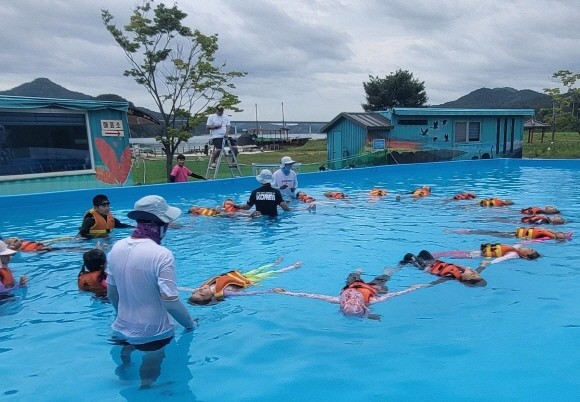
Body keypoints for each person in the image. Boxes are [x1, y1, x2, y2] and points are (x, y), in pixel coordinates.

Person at [106, 195, 196, 388]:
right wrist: (190, 325)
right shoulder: (162, 255)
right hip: (153, 332)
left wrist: (123, 316)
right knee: (150, 371)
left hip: (120, 328)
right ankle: (145, 389)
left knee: (125, 364)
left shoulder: (116, 248)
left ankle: (124, 377)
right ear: (161, 224)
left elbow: (112, 294)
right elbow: (170, 302)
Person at [275, 270, 425, 319]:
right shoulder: (372, 301)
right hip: (370, 289)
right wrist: (413, 288)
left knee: (353, 278)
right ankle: (386, 272)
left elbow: (311, 295)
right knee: (382, 286)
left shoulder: (336, 300)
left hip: (359, 287)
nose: (352, 298)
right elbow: (395, 294)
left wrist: (287, 292)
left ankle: (358, 273)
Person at [187, 258, 302, 305]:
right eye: (201, 293)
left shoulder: (204, 287)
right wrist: (271, 290)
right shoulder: (225, 292)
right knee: (270, 273)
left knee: (259, 269)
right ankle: (292, 267)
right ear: (210, 298)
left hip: (240, 276)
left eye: (196, 291)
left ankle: (273, 263)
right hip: (249, 280)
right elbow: (248, 294)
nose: (200, 289)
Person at [400, 250, 488, 286]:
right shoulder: (470, 273)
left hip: (425, 267)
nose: (474, 272)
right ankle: (417, 260)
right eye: (476, 273)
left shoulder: (450, 276)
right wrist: (484, 264)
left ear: (464, 279)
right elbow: (479, 269)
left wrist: (423, 285)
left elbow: (436, 282)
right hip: (433, 262)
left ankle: (400, 265)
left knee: (409, 256)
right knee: (424, 252)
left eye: (472, 274)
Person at [432, 243, 540, 264]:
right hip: (478, 252)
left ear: (525, 256)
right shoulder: (515, 249)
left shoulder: (513, 254)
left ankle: (434, 257)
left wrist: (489, 262)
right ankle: (436, 255)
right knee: (453, 252)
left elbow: (501, 259)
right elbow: (518, 244)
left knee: (452, 255)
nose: (530, 248)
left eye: (530, 250)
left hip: (477, 255)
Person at [453, 227, 572, 241]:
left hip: (513, 236)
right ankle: (469, 231)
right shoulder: (550, 233)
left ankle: (468, 232)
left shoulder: (547, 237)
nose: (560, 232)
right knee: (491, 232)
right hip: (513, 233)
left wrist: (523, 242)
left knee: (490, 233)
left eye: (562, 234)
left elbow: (534, 240)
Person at [5, 237, 94, 253]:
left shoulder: (22, 243)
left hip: (43, 246)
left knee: (65, 247)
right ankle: (87, 250)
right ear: (11, 246)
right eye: (16, 240)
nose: (19, 240)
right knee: (65, 249)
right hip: (43, 250)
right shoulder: (18, 250)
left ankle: (87, 249)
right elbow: (32, 251)